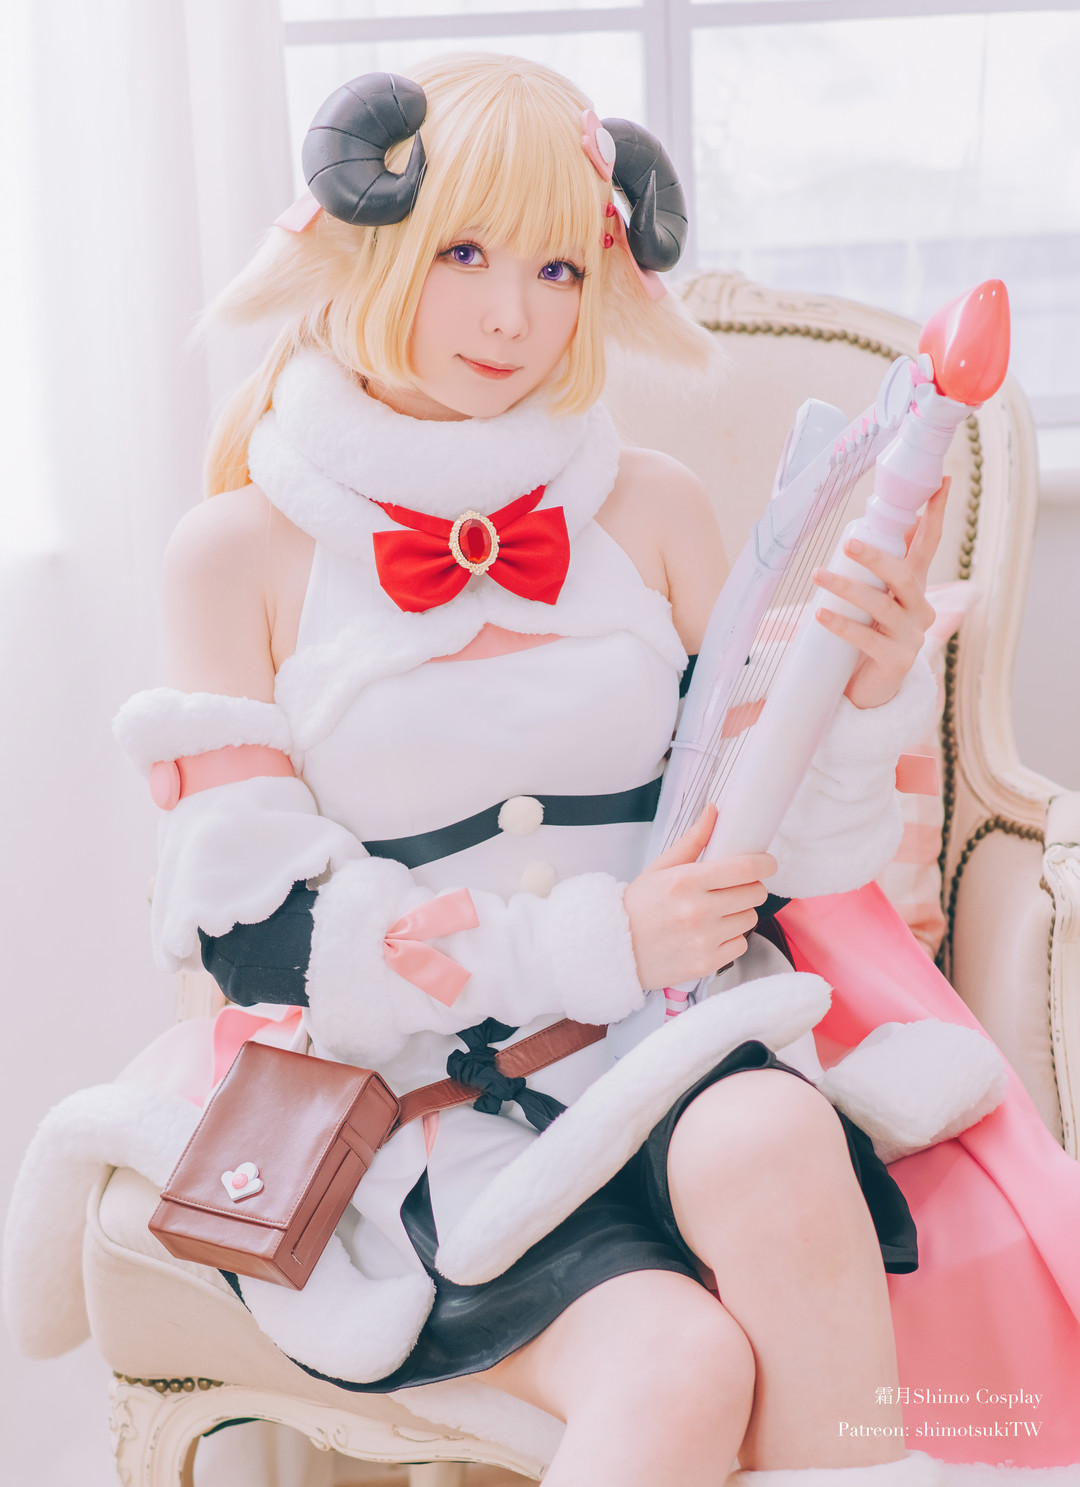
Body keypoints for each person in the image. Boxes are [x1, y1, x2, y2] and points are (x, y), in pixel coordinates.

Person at [98, 51, 1080, 1486]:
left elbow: (777, 858)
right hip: (432, 1111)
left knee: (770, 1137)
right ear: (371, 237)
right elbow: (263, 938)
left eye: (559, 268)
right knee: (680, 1367)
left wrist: (862, 699)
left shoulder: (653, 508)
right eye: (466, 254)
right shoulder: (240, 551)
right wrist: (598, 939)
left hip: (677, 1048)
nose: (512, 315)